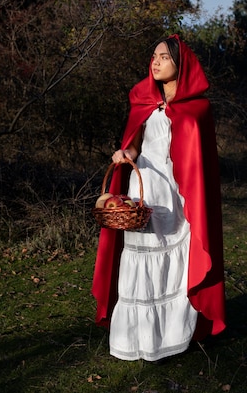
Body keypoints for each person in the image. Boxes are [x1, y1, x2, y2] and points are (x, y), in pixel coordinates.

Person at [91, 34, 226, 362]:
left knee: (172, 261)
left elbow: (199, 162)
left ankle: (169, 338)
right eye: (154, 56)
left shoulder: (198, 109)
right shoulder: (143, 102)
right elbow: (137, 144)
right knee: (139, 256)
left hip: (176, 194)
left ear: (180, 65)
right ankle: (134, 338)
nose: (155, 62)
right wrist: (125, 152)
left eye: (164, 57)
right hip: (143, 188)